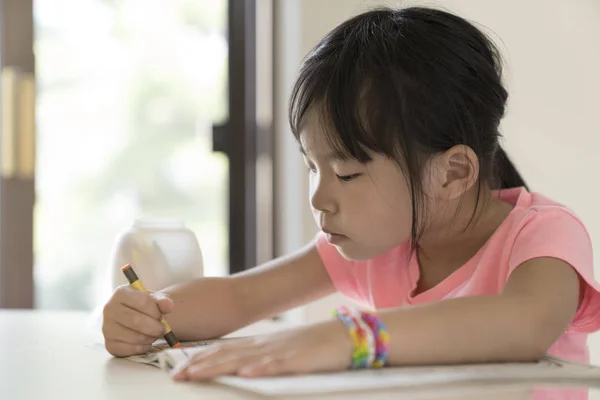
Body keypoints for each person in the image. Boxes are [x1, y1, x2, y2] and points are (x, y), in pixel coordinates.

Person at [102, 6, 600, 382]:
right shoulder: (383, 242)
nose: (319, 198)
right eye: (311, 167)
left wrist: (351, 337)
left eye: (346, 174)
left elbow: (523, 325)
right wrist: (150, 312)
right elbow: (239, 296)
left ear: (452, 173)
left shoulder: (544, 236)